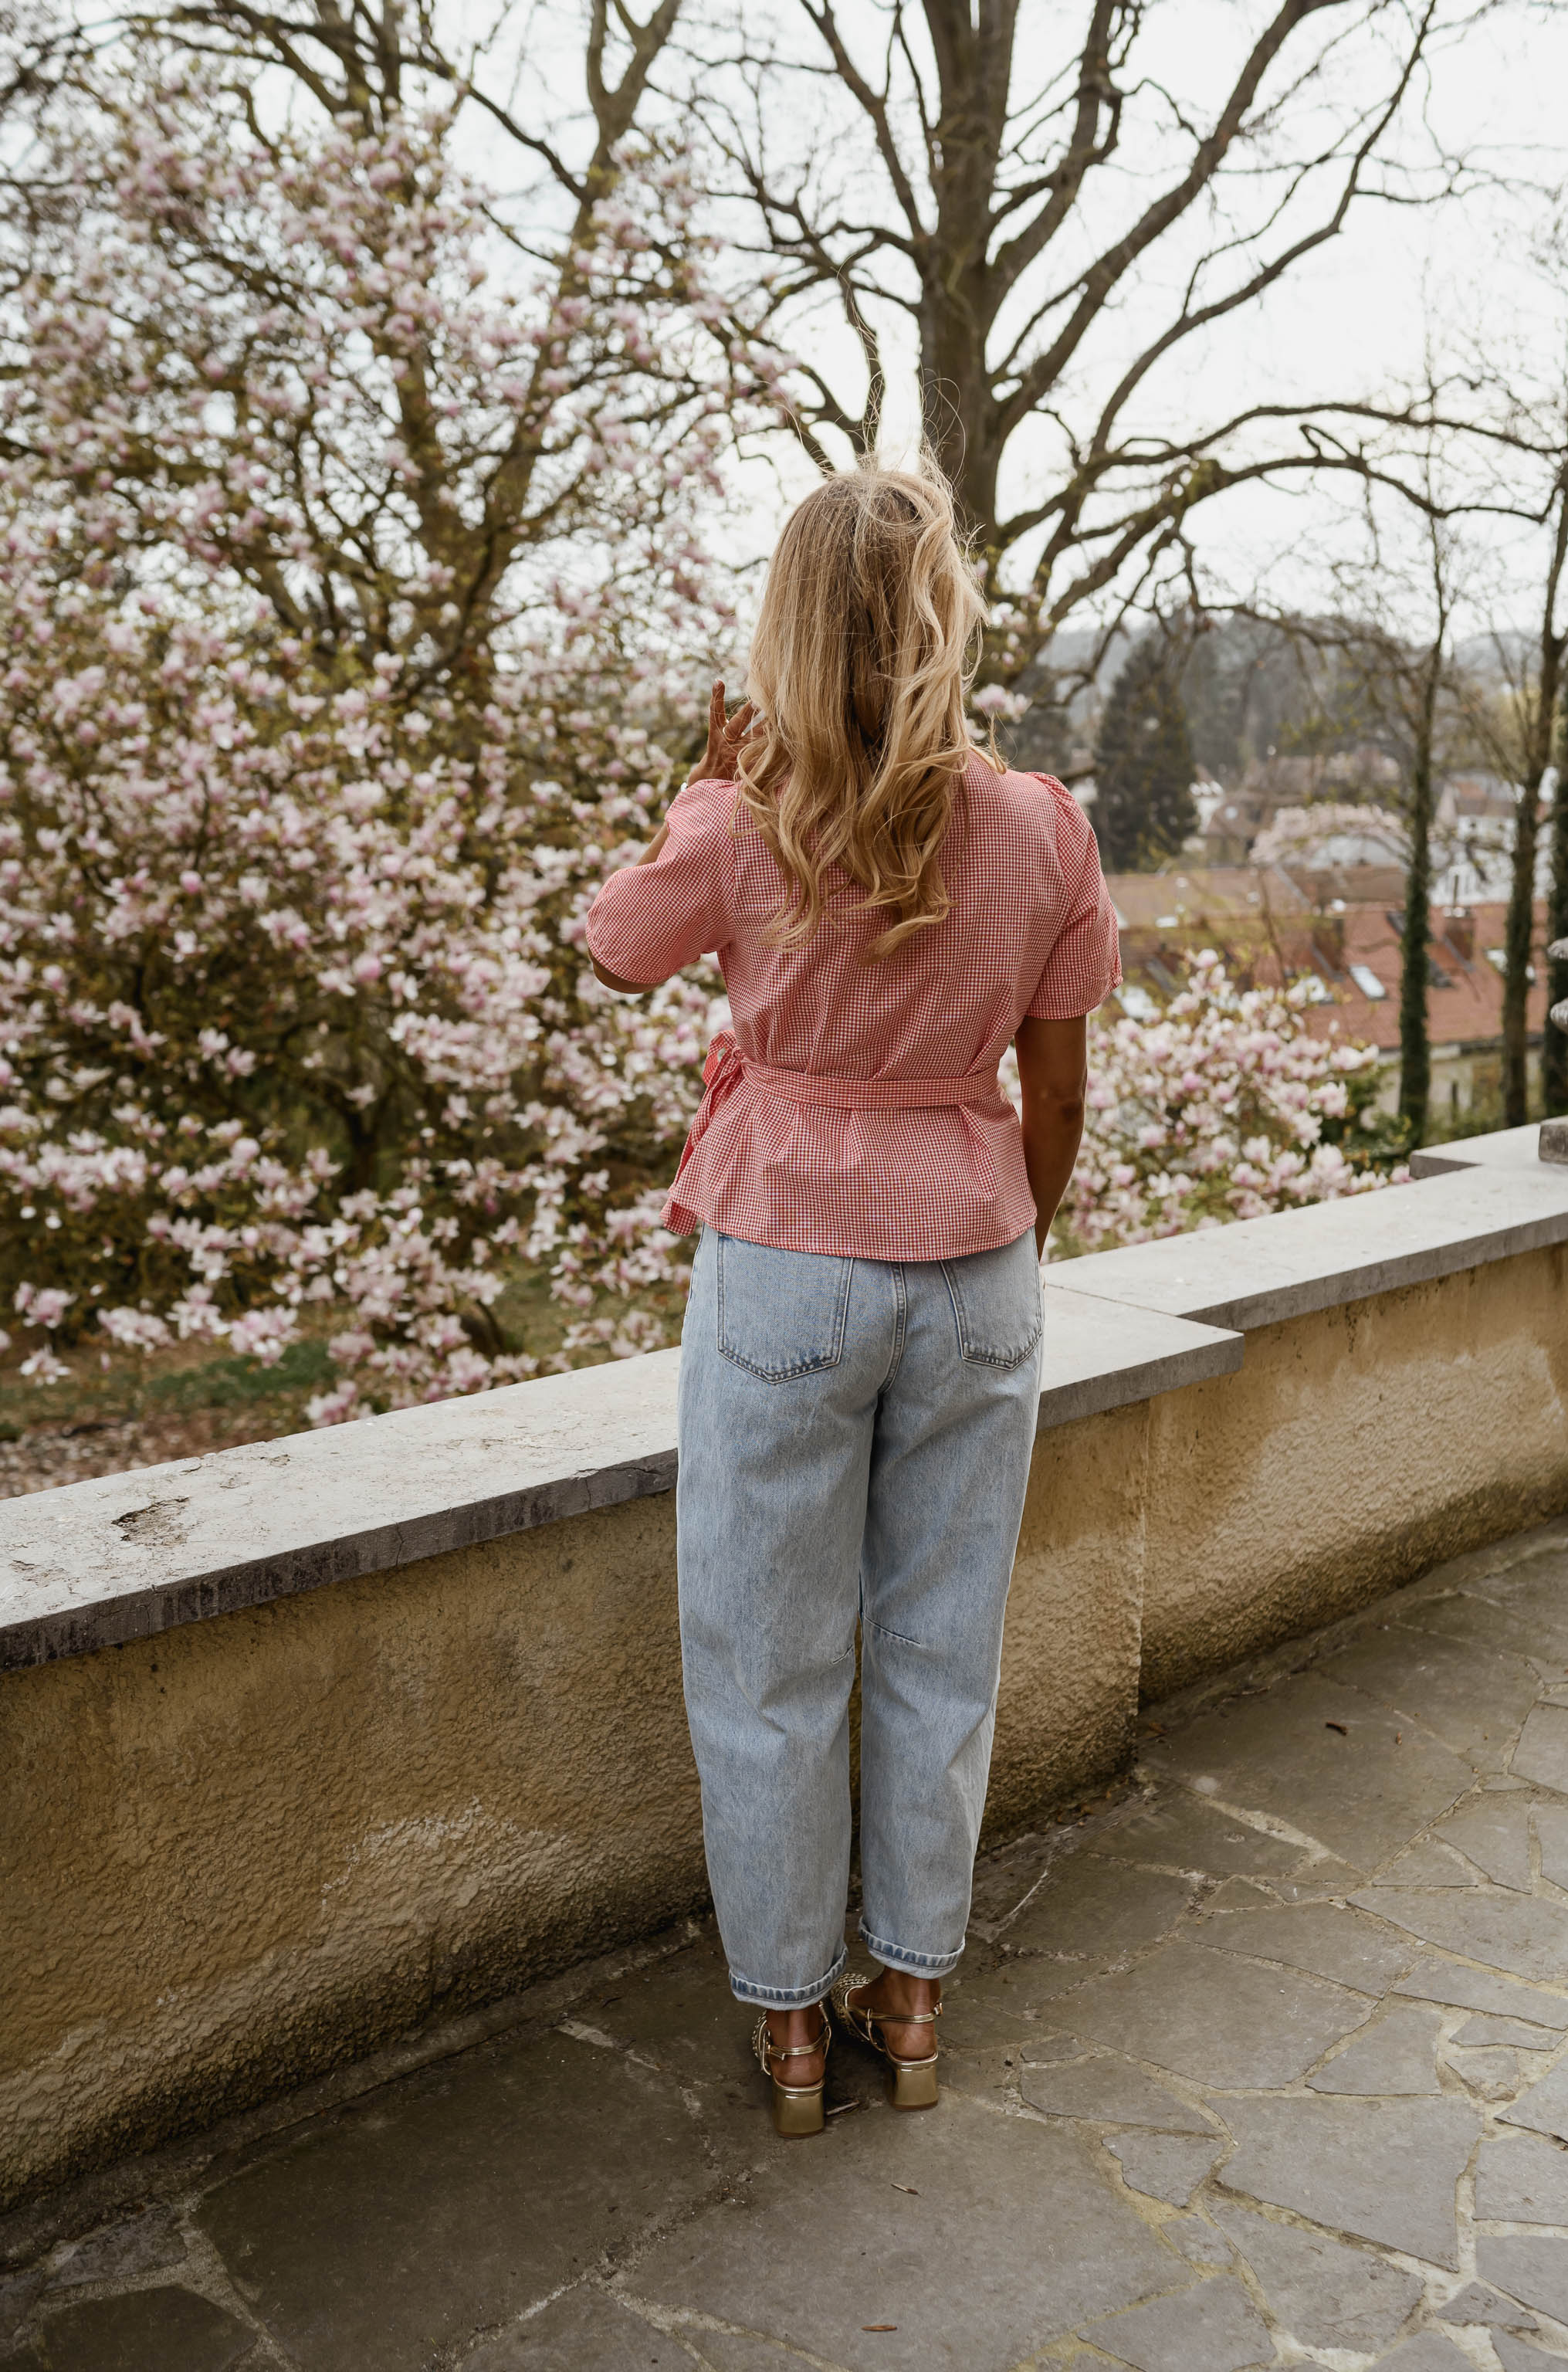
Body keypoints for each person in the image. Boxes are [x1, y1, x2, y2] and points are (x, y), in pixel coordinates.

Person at [585, 463, 1119, 2135]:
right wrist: (998, 1221)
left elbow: (613, 945)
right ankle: (915, 1996)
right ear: (943, 612)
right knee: (938, 1647)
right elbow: (1059, 1084)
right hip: (976, 1261)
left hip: (789, 1263)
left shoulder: (746, 819)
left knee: (768, 1662)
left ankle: (795, 2034)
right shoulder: (1038, 822)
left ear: (791, 629)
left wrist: (701, 786)